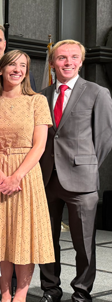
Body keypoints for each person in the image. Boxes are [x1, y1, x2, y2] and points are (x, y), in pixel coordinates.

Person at [39, 40, 112, 302]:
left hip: (81, 180)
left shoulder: (97, 92)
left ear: (81, 61)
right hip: (46, 178)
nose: (67, 62)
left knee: (84, 242)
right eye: (61, 58)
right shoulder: (42, 95)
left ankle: (82, 292)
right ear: (52, 63)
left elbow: (104, 137)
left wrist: (88, 164)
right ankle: (50, 288)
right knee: (46, 239)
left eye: (72, 57)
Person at [0, 50, 54, 302]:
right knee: (0, 235)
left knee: (24, 235)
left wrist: (16, 177)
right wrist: (0, 175)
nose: (18, 69)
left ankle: (21, 295)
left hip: (26, 173)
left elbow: (40, 146)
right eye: (12, 65)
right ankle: (5, 294)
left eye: (23, 65)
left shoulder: (37, 101)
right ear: (0, 70)